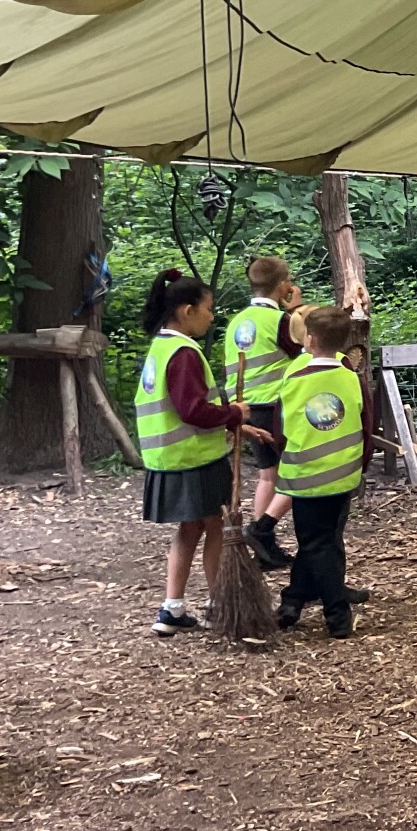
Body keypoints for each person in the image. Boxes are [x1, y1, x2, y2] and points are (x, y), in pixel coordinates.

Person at [135, 269, 271, 636]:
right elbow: (192, 410)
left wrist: (235, 426)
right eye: (208, 309)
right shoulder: (183, 353)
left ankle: (172, 608)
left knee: (190, 527)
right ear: (187, 310)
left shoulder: (161, 347)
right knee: (215, 527)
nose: (212, 316)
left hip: (168, 458)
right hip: (194, 458)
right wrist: (234, 413)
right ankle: (219, 605)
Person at [272, 306, 375, 638]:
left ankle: (337, 615)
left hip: (307, 476)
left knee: (317, 544)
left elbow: (280, 429)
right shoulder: (351, 377)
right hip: (344, 474)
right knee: (322, 540)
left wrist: (284, 456)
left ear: (309, 339)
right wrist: (361, 465)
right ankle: (292, 602)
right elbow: (367, 424)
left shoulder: (294, 379)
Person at [226, 255, 306, 571]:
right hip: (274, 406)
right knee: (299, 471)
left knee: (267, 474)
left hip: (244, 408)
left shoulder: (236, 322)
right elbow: (304, 349)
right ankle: (262, 529)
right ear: (284, 286)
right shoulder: (280, 321)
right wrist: (297, 311)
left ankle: (264, 545)